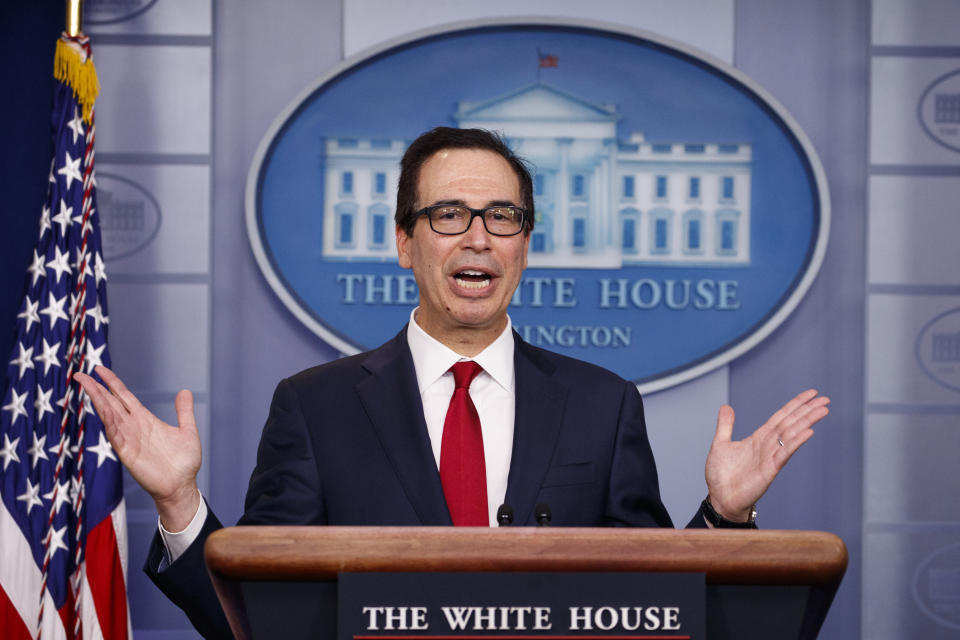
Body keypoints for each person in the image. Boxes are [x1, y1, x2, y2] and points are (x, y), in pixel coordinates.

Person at [76, 127, 829, 639]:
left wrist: (725, 518)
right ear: (404, 243)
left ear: (525, 247)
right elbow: (257, 620)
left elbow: (656, 611)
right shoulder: (315, 407)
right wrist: (177, 501)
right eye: (449, 214)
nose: (478, 236)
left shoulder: (602, 406)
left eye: (503, 216)